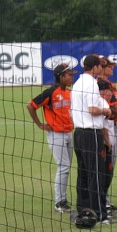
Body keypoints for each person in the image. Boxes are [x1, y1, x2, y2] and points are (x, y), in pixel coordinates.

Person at [26, 63, 76, 213]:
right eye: (69, 75)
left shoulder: (69, 92)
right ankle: (59, 202)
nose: (71, 78)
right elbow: (31, 106)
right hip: (56, 135)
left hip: (69, 133)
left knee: (66, 167)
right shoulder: (50, 92)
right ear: (61, 77)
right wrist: (40, 124)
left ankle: (62, 200)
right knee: (64, 166)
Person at [70, 54, 112, 226]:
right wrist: (106, 111)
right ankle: (100, 214)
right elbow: (93, 110)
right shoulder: (92, 83)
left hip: (78, 133)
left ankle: (84, 210)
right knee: (96, 173)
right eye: (100, 65)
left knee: (83, 173)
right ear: (94, 67)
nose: (102, 68)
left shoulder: (77, 83)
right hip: (91, 133)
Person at [98, 56, 117, 213]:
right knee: (105, 165)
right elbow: (116, 107)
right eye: (109, 66)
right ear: (101, 68)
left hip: (113, 126)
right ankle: (102, 201)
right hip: (106, 127)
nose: (112, 68)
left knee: (109, 165)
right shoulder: (101, 86)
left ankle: (104, 199)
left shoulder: (109, 85)